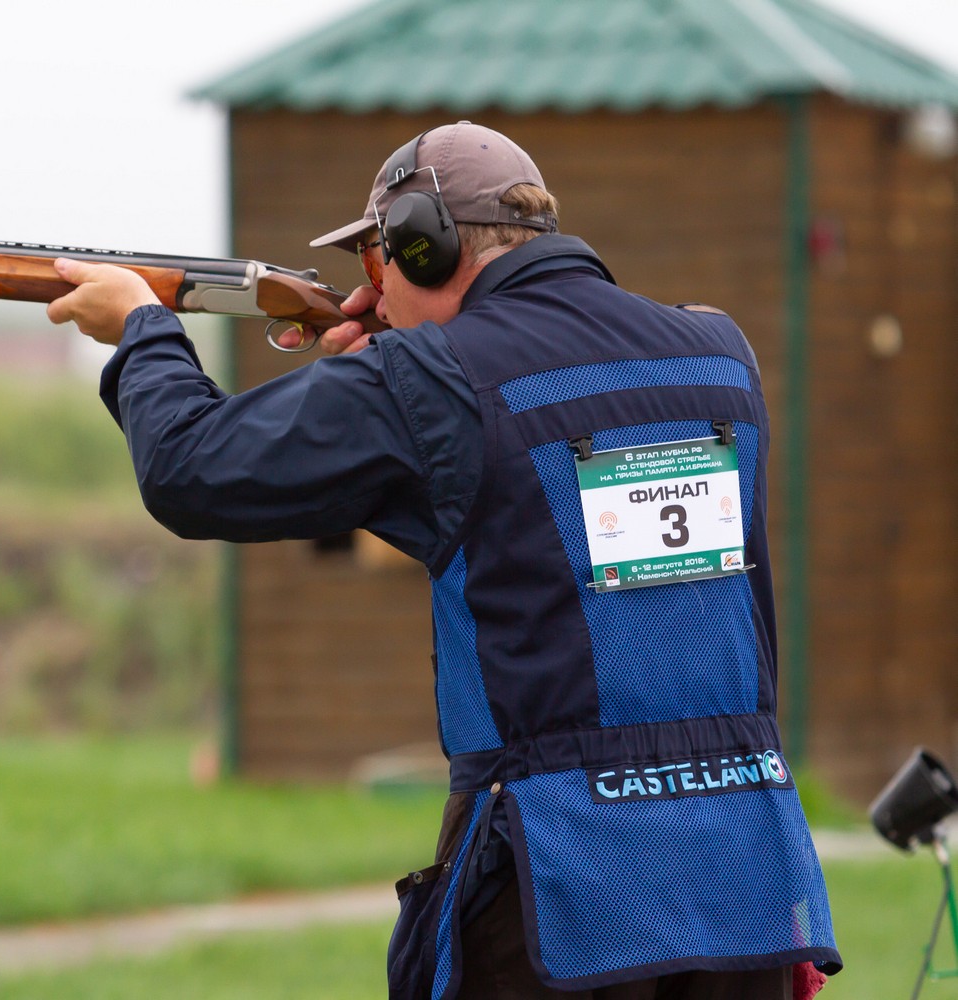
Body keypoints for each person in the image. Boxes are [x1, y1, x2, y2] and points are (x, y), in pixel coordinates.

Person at [45, 122, 841, 999]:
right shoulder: (720, 354)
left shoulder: (434, 380)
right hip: (746, 882)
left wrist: (142, 332)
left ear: (424, 247)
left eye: (379, 267)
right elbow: (541, 521)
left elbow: (191, 471)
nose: (373, 299)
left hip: (560, 886)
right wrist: (391, 394)